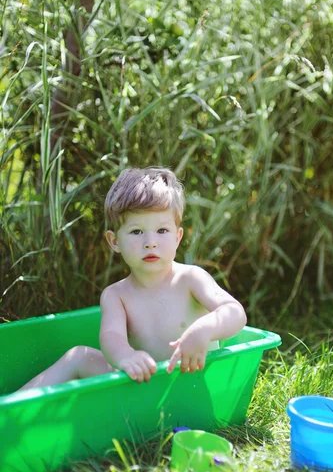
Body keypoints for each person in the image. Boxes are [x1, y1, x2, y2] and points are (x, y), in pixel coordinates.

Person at [19, 167, 247, 390]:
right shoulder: (116, 295)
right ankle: (10, 410)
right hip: (143, 385)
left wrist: (204, 330)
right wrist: (126, 357)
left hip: (194, 381)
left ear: (178, 238)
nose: (150, 242)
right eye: (137, 232)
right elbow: (111, 336)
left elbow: (234, 312)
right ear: (114, 241)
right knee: (79, 356)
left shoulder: (191, 279)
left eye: (162, 231)